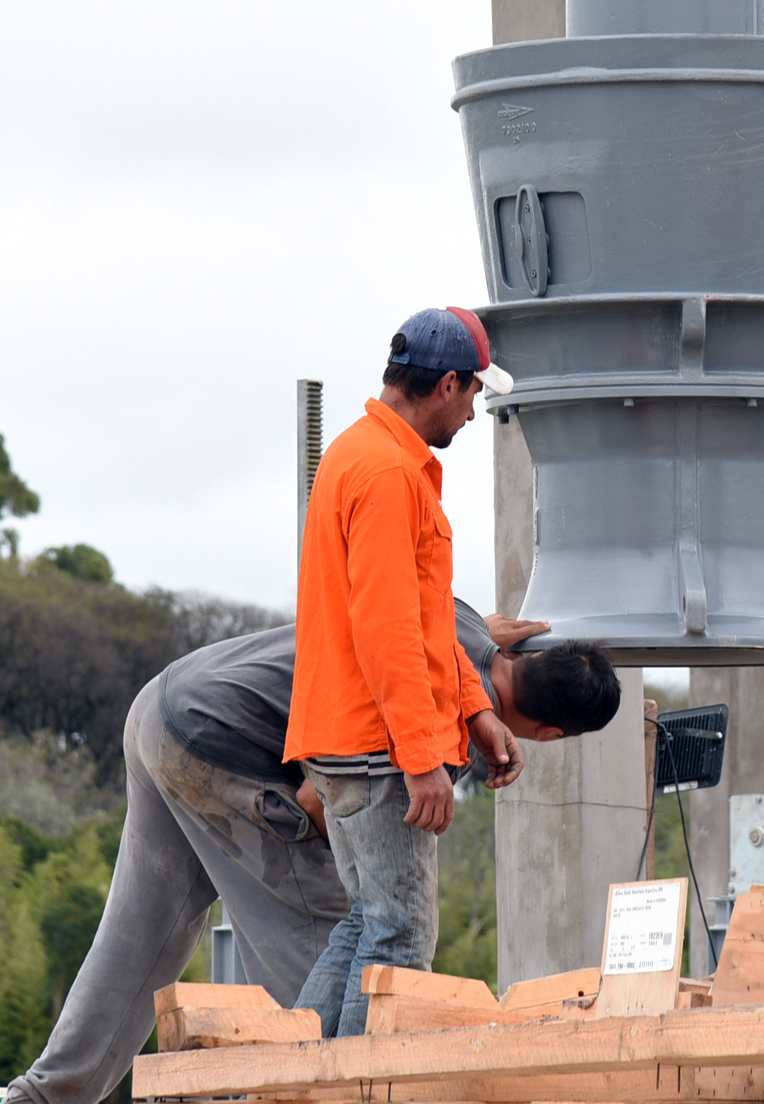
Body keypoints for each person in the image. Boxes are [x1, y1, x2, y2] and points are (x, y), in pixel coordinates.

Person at [1, 604, 620, 1104]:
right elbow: (316, 798)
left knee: (137, 945)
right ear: (548, 734)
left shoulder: (455, 618)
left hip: (166, 707)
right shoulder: (439, 726)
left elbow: (451, 633)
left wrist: (485, 634)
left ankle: (43, 1098)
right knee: (337, 959)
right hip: (227, 751)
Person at [283, 306, 521, 1037]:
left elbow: (424, 617)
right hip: (378, 749)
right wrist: (423, 760)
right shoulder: (388, 473)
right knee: (401, 942)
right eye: (475, 392)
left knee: (367, 925)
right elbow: (387, 631)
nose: (475, 411)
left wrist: (474, 707)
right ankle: (350, 1089)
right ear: (445, 383)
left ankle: (289, 1078)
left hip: (343, 739)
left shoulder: (361, 454)